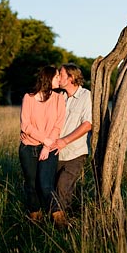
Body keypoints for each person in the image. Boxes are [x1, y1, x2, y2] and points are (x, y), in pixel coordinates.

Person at [19, 65, 65, 221]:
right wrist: (44, 139)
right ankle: (35, 218)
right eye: (57, 76)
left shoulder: (59, 98)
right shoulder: (29, 97)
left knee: (45, 185)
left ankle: (60, 220)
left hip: (50, 147)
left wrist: (46, 145)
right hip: (28, 148)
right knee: (31, 185)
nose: (59, 79)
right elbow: (25, 125)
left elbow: (58, 125)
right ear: (48, 78)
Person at [49, 64, 93, 228]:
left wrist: (65, 141)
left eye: (61, 74)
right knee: (51, 188)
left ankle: (61, 227)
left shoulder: (85, 96)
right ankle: (55, 223)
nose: (58, 77)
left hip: (75, 152)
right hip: (55, 152)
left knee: (63, 187)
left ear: (71, 77)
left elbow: (88, 124)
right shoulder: (59, 97)